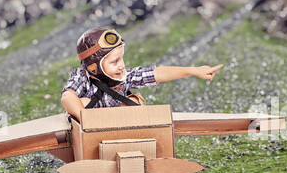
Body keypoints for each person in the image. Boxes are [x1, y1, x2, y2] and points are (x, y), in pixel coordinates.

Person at [60, 27, 223, 119]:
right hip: (91, 131)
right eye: (114, 62)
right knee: (81, 100)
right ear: (93, 67)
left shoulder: (125, 77)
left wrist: (193, 71)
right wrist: (86, 119)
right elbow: (67, 96)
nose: (121, 66)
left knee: (135, 101)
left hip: (118, 129)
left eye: (121, 59)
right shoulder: (81, 76)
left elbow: (157, 73)